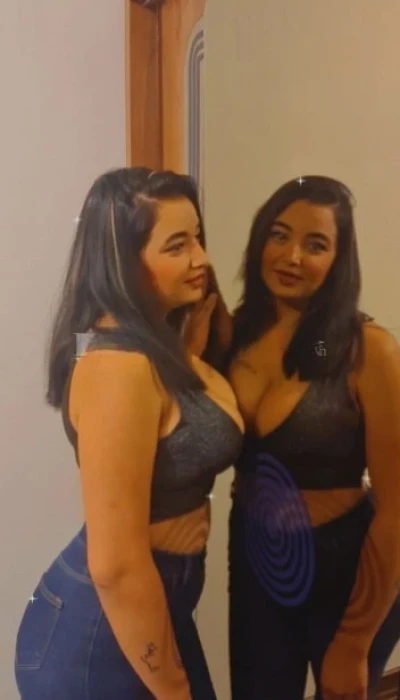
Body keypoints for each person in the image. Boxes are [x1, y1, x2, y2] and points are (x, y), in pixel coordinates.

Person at [14, 167, 244, 700]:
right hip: (97, 634)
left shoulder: (152, 345)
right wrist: (174, 686)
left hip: (154, 606)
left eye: (198, 238)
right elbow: (115, 565)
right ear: (122, 260)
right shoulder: (117, 366)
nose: (201, 259)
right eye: (177, 246)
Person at [193, 175, 400, 699]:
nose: (292, 257)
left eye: (316, 244)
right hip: (256, 559)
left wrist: (354, 640)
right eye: (279, 235)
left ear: (339, 259)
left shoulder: (365, 349)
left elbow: (397, 510)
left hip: (346, 570)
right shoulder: (234, 333)